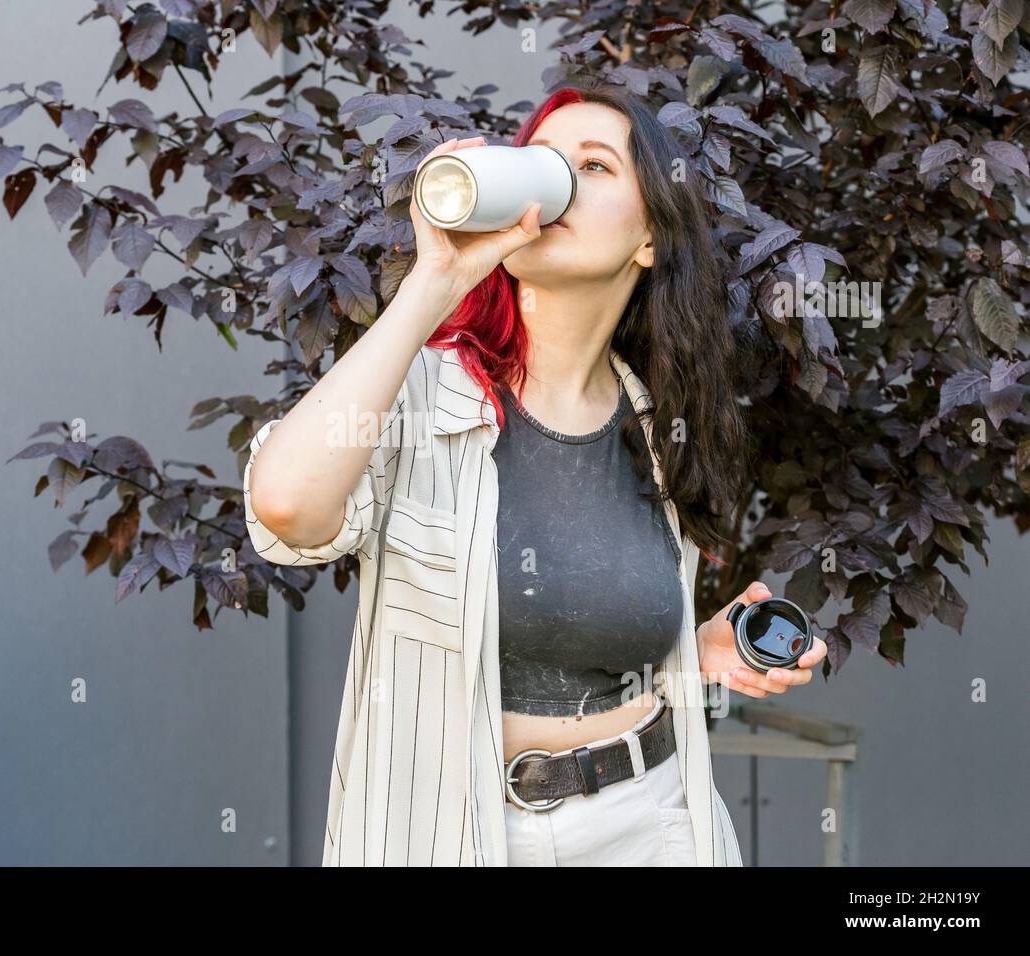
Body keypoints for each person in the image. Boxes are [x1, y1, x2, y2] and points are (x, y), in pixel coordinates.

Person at [243, 84, 828, 866]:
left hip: (653, 825)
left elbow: (584, 643)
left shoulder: (659, 423)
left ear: (649, 239)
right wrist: (435, 282)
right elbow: (286, 507)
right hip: (461, 831)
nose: (558, 183)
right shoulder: (422, 393)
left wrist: (697, 654)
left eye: (593, 166)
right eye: (544, 162)